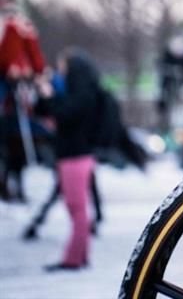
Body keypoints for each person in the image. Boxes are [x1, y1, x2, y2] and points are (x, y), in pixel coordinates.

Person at [33, 49, 101, 271]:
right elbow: (45, 111)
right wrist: (46, 94)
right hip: (77, 156)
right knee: (79, 208)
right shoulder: (81, 92)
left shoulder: (82, 96)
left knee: (77, 208)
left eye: (63, 67)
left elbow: (63, 115)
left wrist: (48, 95)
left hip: (75, 157)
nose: (60, 72)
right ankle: (80, 255)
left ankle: (73, 258)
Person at [0, 0, 46, 202]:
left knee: (18, 129)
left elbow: (33, 52)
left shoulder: (19, 24)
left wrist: (34, 71)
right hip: (8, 78)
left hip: (14, 82)